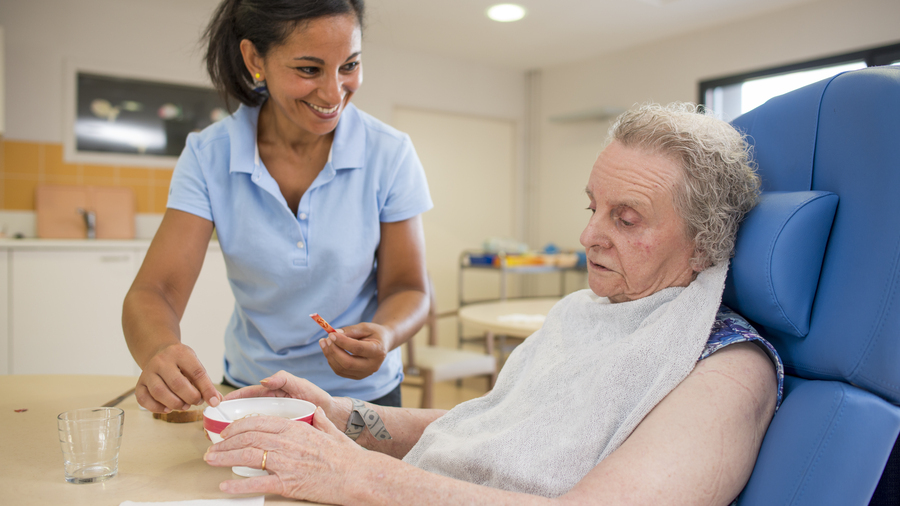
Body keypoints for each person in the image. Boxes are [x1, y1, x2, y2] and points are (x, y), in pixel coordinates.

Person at [202, 103, 784, 505]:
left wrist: (359, 475)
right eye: (593, 209)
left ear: (705, 241)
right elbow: (491, 427)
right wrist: (343, 416)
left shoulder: (727, 371)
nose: (588, 237)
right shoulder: (585, 314)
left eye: (625, 219)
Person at [122, 0, 432, 413]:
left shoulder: (390, 153)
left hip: (365, 398)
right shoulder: (209, 155)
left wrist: (386, 334)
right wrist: (160, 350)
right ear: (255, 59)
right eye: (308, 69)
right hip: (257, 391)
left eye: (349, 65)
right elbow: (155, 290)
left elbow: (408, 288)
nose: (333, 92)